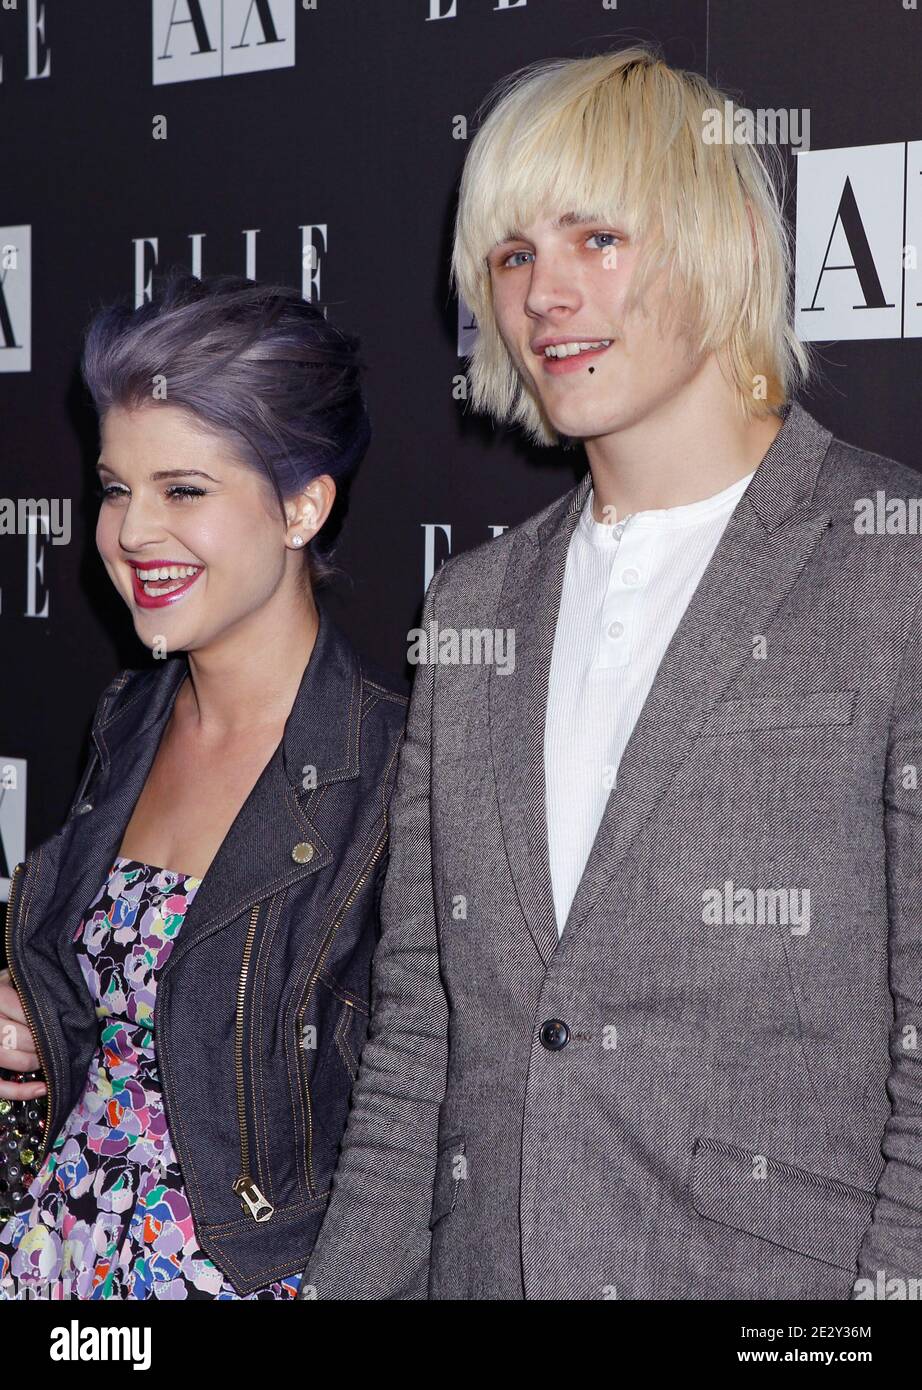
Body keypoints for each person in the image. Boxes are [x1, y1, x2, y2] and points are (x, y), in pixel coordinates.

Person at [299, 45, 922, 1299]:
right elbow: (422, 1032)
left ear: (720, 241)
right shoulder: (475, 607)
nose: (545, 296)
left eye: (598, 237)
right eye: (515, 254)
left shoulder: (889, 563)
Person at [0, 270, 407, 1299]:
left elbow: (421, 1131)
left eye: (184, 489)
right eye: (115, 487)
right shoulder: (128, 717)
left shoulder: (398, 778)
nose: (133, 533)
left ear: (302, 505)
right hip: (54, 1258)